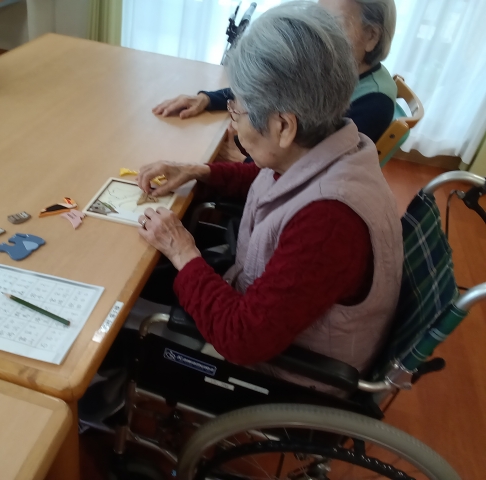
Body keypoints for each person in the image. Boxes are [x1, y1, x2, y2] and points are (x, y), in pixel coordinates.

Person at [136, 1, 403, 391]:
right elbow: (270, 179)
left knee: (127, 334)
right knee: (149, 278)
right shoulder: (330, 141)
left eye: (237, 111)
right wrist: (198, 171)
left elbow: (242, 339)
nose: (233, 123)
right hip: (269, 310)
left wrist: (182, 250)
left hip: (282, 378)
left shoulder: (329, 222)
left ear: (283, 126)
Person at [153, 0, 397, 161]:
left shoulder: (375, 103)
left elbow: (319, 169)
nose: (321, 33)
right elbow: (269, 88)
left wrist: (247, 161)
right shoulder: (328, 66)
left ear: (371, 36)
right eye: (318, 20)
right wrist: (208, 99)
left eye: (333, 24)